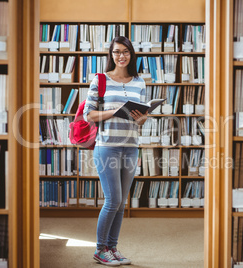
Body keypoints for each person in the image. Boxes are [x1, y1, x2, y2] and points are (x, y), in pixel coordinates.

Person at [83, 36, 147, 266]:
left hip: (131, 146)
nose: (121, 56)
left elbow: (141, 119)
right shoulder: (100, 80)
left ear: (131, 54)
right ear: (111, 55)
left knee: (122, 203)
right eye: (117, 52)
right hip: (107, 146)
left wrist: (142, 118)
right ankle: (101, 249)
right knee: (113, 200)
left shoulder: (139, 82)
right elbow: (88, 116)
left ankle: (113, 247)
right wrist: (114, 111)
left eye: (126, 52)